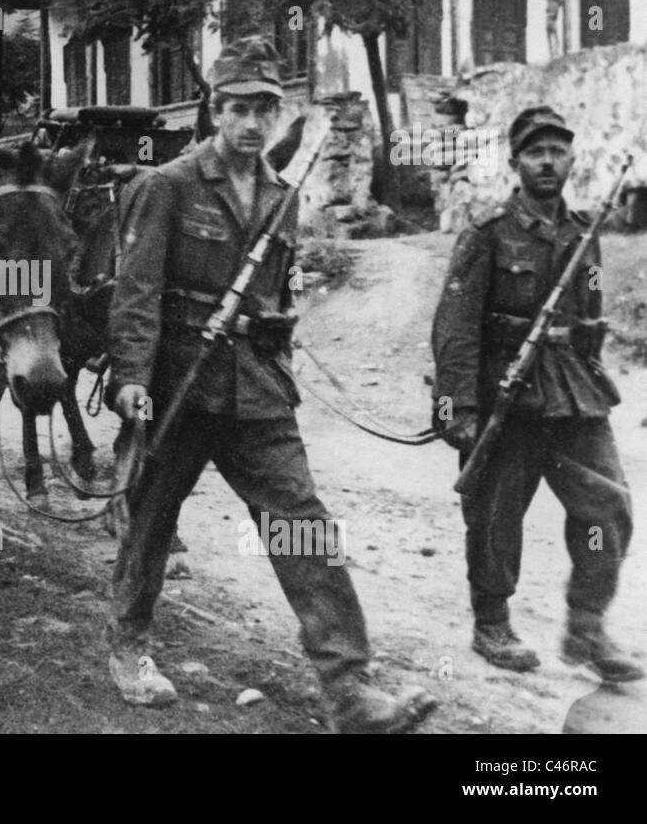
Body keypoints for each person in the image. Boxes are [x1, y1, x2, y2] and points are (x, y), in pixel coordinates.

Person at [104, 37, 436, 732]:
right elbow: (136, 293)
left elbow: (277, 291)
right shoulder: (166, 185)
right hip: (179, 385)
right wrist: (131, 380)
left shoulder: (283, 196)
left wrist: (277, 322)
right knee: (151, 519)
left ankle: (350, 689)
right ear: (213, 110)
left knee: (302, 526)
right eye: (238, 109)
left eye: (264, 108)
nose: (252, 123)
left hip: (256, 387)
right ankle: (129, 646)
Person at [431, 105, 640, 682]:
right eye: (535, 153)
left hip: (572, 393)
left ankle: (587, 624)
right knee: (497, 513)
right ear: (517, 162)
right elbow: (454, 325)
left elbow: (591, 309)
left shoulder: (584, 235)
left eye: (557, 152)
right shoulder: (488, 234)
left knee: (608, 507)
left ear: (572, 160)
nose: (547, 162)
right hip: (507, 389)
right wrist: (458, 407)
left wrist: (591, 365)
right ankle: (492, 621)